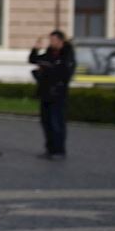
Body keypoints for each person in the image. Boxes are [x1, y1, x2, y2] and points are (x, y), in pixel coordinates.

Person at [28, 30, 75, 160]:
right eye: (50, 40)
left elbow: (64, 73)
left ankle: (59, 151)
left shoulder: (67, 55)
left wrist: (47, 70)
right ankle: (50, 149)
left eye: (53, 40)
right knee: (46, 123)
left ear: (61, 41)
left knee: (57, 123)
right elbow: (33, 60)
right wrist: (35, 49)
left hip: (58, 95)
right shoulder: (49, 54)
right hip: (45, 94)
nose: (51, 42)